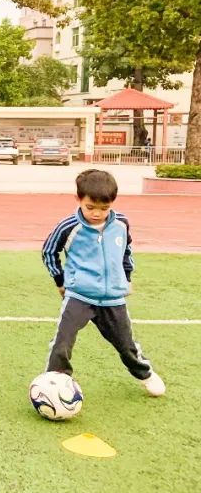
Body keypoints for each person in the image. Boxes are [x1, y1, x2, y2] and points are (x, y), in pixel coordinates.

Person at [40, 169, 165, 396]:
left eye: (104, 208)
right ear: (79, 199)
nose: (97, 213)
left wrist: (126, 278)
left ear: (112, 203)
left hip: (113, 298)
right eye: (90, 207)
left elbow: (126, 251)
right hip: (79, 295)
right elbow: (49, 252)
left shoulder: (121, 223)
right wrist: (60, 281)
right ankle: (54, 382)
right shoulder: (69, 226)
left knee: (126, 345)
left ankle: (145, 373)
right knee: (62, 342)